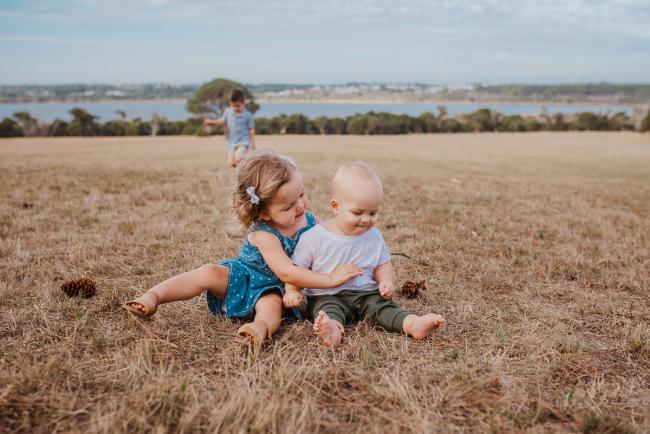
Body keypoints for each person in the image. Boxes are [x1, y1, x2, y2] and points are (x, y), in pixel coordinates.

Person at [122, 150, 362, 346]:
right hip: (243, 276)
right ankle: (153, 296)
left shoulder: (309, 220)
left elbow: (333, 237)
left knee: (271, 305)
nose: (300, 206)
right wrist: (329, 278)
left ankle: (259, 328)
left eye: (302, 194)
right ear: (264, 213)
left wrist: (354, 236)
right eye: (289, 206)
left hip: (273, 288)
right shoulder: (263, 234)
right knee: (209, 272)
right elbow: (287, 272)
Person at [283, 162, 445, 347]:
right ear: (336, 207)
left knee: (385, 308)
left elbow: (382, 264)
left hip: (367, 294)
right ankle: (333, 329)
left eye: (373, 212)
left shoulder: (374, 236)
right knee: (326, 311)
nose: (366, 219)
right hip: (328, 294)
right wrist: (292, 291)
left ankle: (413, 324)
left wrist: (386, 281)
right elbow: (297, 268)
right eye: (358, 212)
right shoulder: (314, 237)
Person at [204, 89, 256, 167]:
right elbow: (222, 121)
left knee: (239, 157)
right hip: (232, 142)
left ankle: (245, 171)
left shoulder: (248, 115)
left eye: (238, 106)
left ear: (243, 103)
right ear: (230, 103)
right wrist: (211, 122)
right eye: (233, 106)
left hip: (244, 142)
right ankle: (245, 169)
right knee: (232, 163)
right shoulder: (228, 112)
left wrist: (253, 144)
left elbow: (251, 129)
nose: (235, 108)